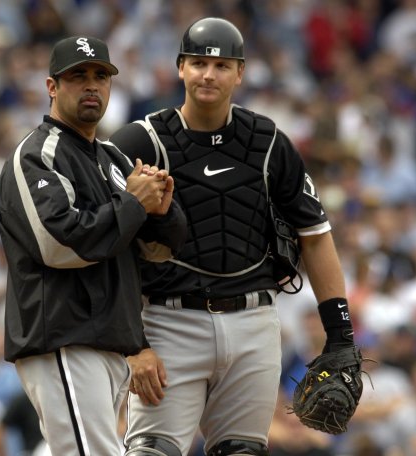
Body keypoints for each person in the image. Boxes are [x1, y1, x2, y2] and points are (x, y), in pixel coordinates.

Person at [109, 17, 357, 456]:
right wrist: (133, 343)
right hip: (168, 322)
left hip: (253, 322)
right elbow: (107, 247)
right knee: (152, 451)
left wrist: (339, 333)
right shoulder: (141, 141)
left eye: (222, 65)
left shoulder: (268, 143)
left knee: (243, 451)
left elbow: (315, 235)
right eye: (199, 63)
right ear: (180, 67)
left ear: (240, 73)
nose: (209, 74)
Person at [0, 35, 187, 456]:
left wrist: (162, 212)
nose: (92, 85)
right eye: (77, 76)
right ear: (52, 87)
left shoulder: (114, 159)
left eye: (101, 76)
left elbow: (153, 254)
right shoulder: (36, 155)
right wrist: (134, 202)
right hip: (63, 337)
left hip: (110, 341)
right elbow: (59, 244)